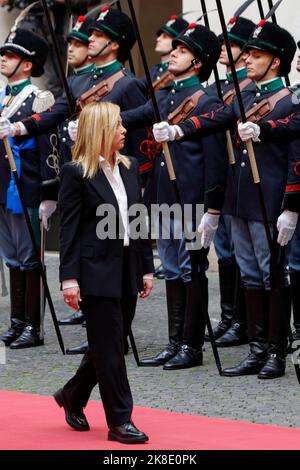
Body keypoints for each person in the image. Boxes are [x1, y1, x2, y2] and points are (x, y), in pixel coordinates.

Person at [153, 20, 300, 379]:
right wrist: (178, 129)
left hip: (269, 200)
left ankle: (276, 353)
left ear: (276, 61)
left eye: (256, 54)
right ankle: (257, 347)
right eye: (247, 53)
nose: (247, 60)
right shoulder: (244, 95)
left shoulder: (291, 99)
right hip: (239, 199)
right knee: (250, 274)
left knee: (271, 275)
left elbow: (297, 154)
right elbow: (213, 118)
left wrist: (292, 207)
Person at [121, 23, 228, 370]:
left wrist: (212, 207)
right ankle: (174, 341)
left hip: (191, 199)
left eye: (181, 51)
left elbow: (214, 160)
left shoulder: (206, 100)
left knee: (190, 268)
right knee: (170, 267)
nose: (173, 55)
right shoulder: (165, 96)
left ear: (198, 62)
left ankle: (191, 346)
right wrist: (101, 118)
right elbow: (135, 116)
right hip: (163, 195)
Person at [56, 101, 154, 444]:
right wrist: (69, 278)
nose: (124, 130)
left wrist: (146, 268)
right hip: (94, 271)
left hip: (127, 267)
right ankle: (120, 421)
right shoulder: (75, 173)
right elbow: (67, 230)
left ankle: (72, 394)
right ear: (100, 131)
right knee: (111, 349)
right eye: (117, 126)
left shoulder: (129, 167)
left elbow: (137, 221)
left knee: (107, 343)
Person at [0, 28, 58, 349]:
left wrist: (49, 194)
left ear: (27, 64)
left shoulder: (39, 98)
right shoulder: (1, 95)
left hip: (27, 187)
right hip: (2, 187)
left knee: (30, 257)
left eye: (10, 55)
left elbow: (50, 150)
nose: (3, 59)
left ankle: (32, 327)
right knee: (12, 256)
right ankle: (16, 321)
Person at [206, 15, 255, 348]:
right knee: (224, 251)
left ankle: (244, 321)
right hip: (218, 175)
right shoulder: (218, 88)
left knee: (243, 254)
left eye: (232, 44)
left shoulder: (248, 88)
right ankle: (229, 316)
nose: (223, 48)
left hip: (240, 175)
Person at [139, 14, 188, 92]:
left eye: (165, 36)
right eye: (159, 35)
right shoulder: (154, 70)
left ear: (176, 42)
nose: (158, 39)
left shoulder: (177, 73)